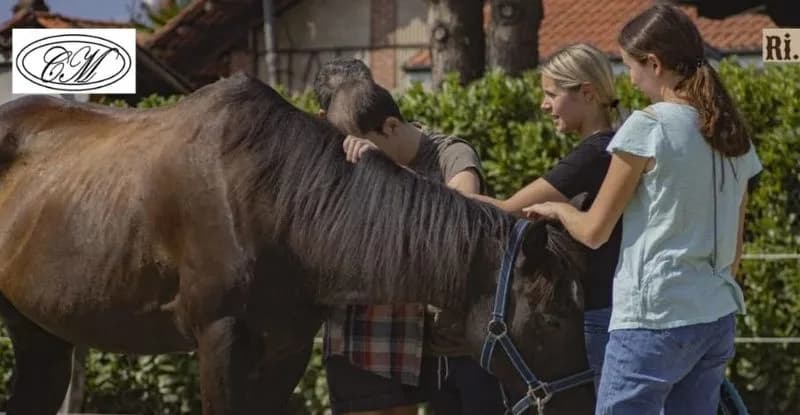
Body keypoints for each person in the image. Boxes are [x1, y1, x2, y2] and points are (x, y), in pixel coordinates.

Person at [525, 4, 762, 415]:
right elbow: (735, 253)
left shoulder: (648, 126)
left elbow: (595, 230)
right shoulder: (731, 133)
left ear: (653, 63)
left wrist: (558, 211)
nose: (628, 77)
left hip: (653, 319)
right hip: (714, 317)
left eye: (630, 64)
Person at [315, 66, 506, 414]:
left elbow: (459, 216)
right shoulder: (368, 156)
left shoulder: (452, 154)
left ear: (390, 127)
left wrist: (387, 172)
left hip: (476, 347)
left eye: (366, 153)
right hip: (426, 350)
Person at [470, 42, 624, 389]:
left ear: (586, 93)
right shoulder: (608, 148)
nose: (544, 104)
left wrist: (431, 195)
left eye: (551, 94)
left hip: (604, 312)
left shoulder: (595, 154)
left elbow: (509, 210)